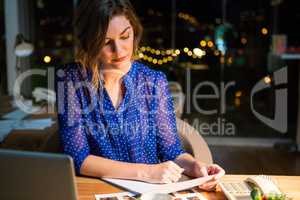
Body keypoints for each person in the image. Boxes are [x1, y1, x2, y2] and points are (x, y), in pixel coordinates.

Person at [56, 0, 225, 190]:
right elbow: (78, 158)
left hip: (151, 193)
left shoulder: (154, 81)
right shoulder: (70, 79)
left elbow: (172, 151)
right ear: (89, 42)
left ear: (134, 32)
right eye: (106, 42)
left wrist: (195, 166)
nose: (119, 50)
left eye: (125, 36)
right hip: (98, 191)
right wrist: (147, 172)